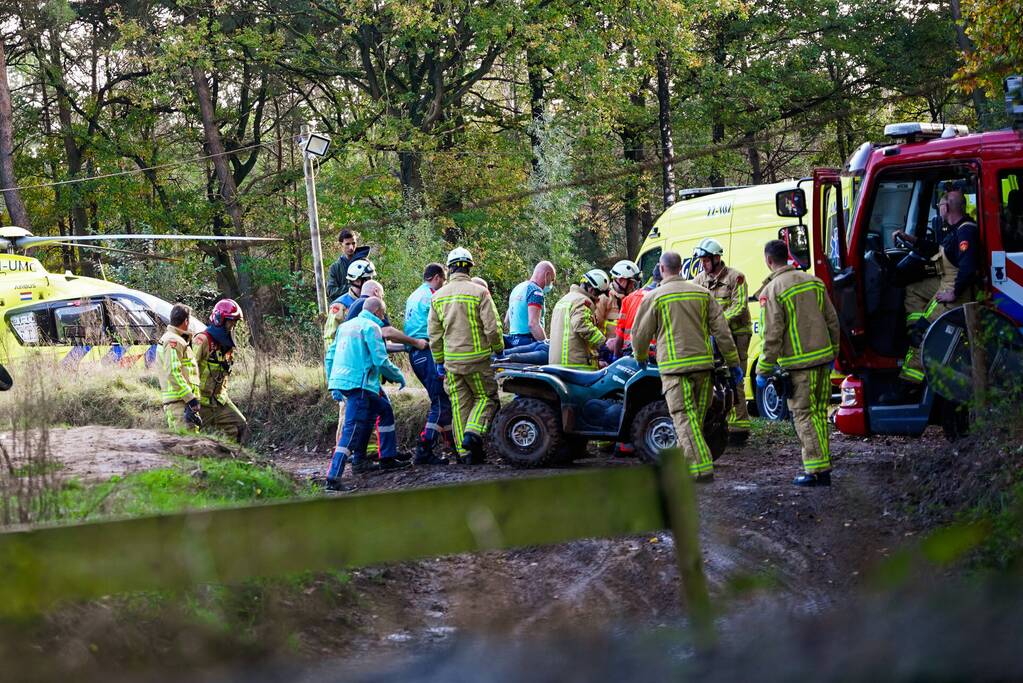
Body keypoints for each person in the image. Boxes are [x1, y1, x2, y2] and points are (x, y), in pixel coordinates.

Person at [631, 252, 741, 482]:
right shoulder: (702, 294)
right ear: (680, 267)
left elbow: (640, 333)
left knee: (683, 418)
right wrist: (733, 363)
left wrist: (640, 356)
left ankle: (700, 469)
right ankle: (688, 466)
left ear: (662, 269)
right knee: (694, 421)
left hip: (674, 372)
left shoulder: (655, 297)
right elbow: (722, 332)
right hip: (703, 369)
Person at [756, 239, 841, 487]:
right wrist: (833, 353)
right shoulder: (814, 282)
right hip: (822, 361)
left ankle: (817, 470)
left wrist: (764, 369)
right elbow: (832, 321)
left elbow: (772, 334)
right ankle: (822, 465)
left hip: (798, 367)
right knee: (817, 414)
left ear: (769, 260)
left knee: (803, 416)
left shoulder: (772, 291)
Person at [898, 189, 981, 391]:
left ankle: (912, 383)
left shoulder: (965, 231)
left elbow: (968, 268)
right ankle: (915, 328)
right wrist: (910, 239)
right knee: (913, 289)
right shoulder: (954, 229)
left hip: (955, 290)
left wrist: (953, 293)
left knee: (923, 329)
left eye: (940, 205)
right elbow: (938, 250)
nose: (938, 208)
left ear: (947, 207)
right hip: (946, 282)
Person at [428, 247, 504, 464]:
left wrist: (439, 360)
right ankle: (473, 433)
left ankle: (465, 455)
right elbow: (492, 328)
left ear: (449, 268)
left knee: (459, 405)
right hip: (478, 360)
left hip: (452, 362)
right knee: (486, 397)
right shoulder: (480, 292)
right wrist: (498, 349)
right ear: (469, 267)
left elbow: (434, 335)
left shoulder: (438, 297)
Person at [326, 296, 409, 489]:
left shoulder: (345, 326)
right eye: (383, 314)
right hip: (360, 385)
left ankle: (380, 458)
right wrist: (398, 376)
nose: (383, 317)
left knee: (384, 410)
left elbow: (330, 356)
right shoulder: (372, 328)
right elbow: (381, 361)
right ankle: (333, 478)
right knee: (351, 430)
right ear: (378, 312)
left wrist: (333, 382)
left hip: (350, 383)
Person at [692, 238, 753, 437]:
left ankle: (740, 426)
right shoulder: (699, 280)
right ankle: (718, 421)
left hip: (737, 334)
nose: (703, 264)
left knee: (734, 377)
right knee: (713, 376)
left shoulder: (737, 278)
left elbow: (739, 306)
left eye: (706, 260)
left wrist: (717, 323)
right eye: (701, 260)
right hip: (713, 335)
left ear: (717, 258)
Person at [405, 263, 453, 465]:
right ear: (436, 277)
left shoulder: (414, 295)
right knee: (440, 402)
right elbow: (441, 324)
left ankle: (452, 445)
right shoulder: (432, 297)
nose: (444, 284)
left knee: (443, 401)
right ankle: (424, 448)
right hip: (427, 351)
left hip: (416, 354)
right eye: (443, 280)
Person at [192, 299, 248, 442]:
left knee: (240, 425)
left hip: (219, 401)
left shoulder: (226, 346)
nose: (233, 326)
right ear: (219, 320)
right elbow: (188, 369)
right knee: (194, 439)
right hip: (201, 403)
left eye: (235, 322)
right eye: (231, 321)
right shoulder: (202, 340)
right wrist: (190, 401)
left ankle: (229, 460)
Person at [548, 269, 609, 368]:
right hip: (575, 366)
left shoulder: (565, 299)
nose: (598, 299)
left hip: (556, 364)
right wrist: (603, 343)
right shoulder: (582, 300)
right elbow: (581, 324)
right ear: (592, 290)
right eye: (598, 295)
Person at [156, 303, 202, 432]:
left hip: (182, 403)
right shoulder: (173, 341)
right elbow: (173, 372)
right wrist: (190, 398)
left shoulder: (177, 340)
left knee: (190, 446)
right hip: (179, 404)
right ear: (186, 321)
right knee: (186, 447)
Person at [323, 259, 375, 355]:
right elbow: (329, 337)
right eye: (368, 279)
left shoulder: (373, 302)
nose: (371, 283)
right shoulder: (340, 306)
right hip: (347, 358)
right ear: (357, 281)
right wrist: (335, 360)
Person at [504, 261, 557, 349]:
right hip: (528, 340)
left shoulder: (518, 288)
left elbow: (506, 320)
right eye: (552, 280)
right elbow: (533, 324)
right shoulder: (535, 291)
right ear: (547, 275)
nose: (551, 284)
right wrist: (546, 345)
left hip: (512, 340)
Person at [612, 263, 662, 356]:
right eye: (631, 282)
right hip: (652, 356)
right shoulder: (662, 298)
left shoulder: (628, 299)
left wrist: (616, 356)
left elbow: (620, 333)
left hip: (628, 355)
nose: (632, 286)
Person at [594, 260, 641, 339]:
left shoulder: (633, 299)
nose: (633, 285)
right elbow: (595, 328)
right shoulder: (604, 299)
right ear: (621, 280)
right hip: (607, 349)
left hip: (628, 348)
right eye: (631, 282)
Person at [327, 229, 360, 302]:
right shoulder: (335, 267)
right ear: (341, 244)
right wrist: (352, 288)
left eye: (353, 243)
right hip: (342, 307)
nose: (351, 247)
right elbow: (331, 291)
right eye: (347, 244)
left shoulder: (362, 264)